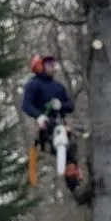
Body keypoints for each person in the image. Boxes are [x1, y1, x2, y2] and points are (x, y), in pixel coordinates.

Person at [21, 54, 90, 205]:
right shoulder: (33, 85)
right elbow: (26, 105)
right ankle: (76, 189)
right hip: (47, 128)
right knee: (65, 153)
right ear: (40, 66)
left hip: (62, 125)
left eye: (53, 64)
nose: (52, 67)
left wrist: (60, 105)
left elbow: (70, 106)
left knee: (71, 153)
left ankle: (77, 183)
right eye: (49, 64)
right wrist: (39, 116)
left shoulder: (58, 87)